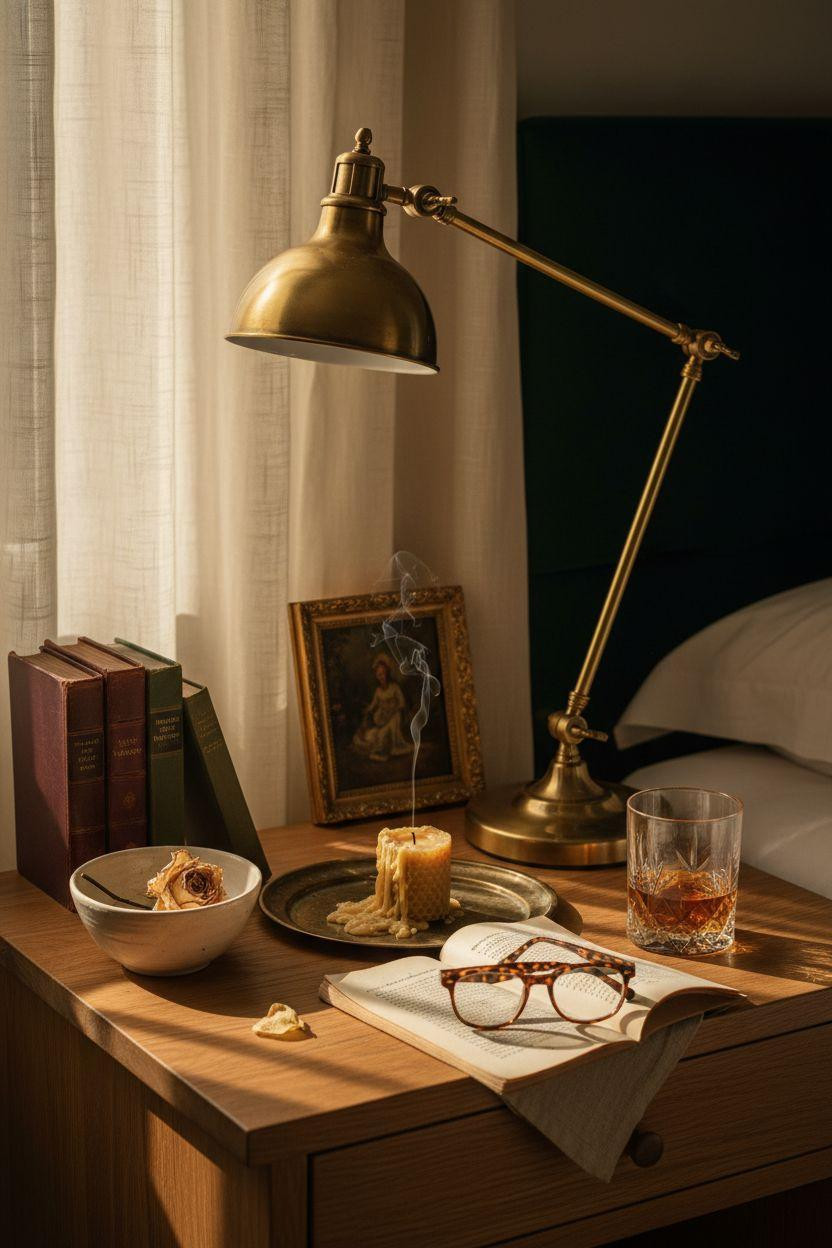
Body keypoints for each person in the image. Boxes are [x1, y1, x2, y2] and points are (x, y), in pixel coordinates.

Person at [352, 652, 412, 762]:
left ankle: (386, 750)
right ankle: (378, 748)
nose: (381, 677)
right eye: (379, 675)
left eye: (383, 674)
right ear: (376, 676)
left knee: (385, 732)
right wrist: (367, 711)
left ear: (387, 674)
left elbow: (402, 703)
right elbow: (373, 705)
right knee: (372, 735)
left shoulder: (394, 687)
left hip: (394, 716)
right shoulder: (378, 691)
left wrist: (391, 709)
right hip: (381, 718)